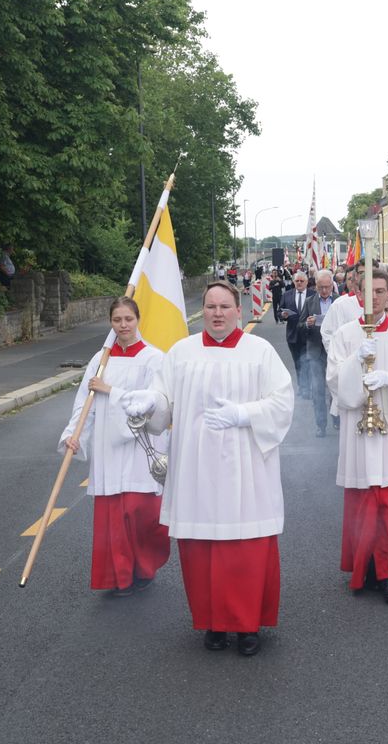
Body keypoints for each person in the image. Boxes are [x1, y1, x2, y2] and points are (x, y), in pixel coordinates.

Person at [121, 281, 294, 656]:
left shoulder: (259, 351)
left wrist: (243, 414)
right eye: (211, 306)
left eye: (225, 306)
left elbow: (282, 403)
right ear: (203, 310)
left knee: (245, 550)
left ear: (238, 310)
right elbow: (164, 401)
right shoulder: (181, 353)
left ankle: (247, 626)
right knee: (202, 549)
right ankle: (212, 622)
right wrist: (148, 402)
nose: (217, 313)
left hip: (247, 467)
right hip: (196, 467)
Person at [327, 268, 388, 603]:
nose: (375, 297)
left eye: (381, 291)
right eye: (369, 291)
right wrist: (355, 364)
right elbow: (334, 383)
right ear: (358, 293)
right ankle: (364, 569)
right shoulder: (344, 335)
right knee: (362, 504)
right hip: (358, 430)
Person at [58, 298, 169, 596]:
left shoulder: (154, 359)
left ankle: (144, 566)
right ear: (111, 322)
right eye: (117, 320)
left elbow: (154, 406)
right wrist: (75, 435)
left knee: (140, 511)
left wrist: (112, 390)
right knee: (113, 517)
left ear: (138, 319)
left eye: (128, 319)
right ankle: (119, 576)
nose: (123, 325)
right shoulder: (100, 360)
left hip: (140, 448)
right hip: (109, 446)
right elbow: (85, 404)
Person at [302, 269, 337, 437]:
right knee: (318, 390)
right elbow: (299, 326)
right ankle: (321, 425)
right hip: (316, 352)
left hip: (336, 352)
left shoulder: (339, 301)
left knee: (336, 388)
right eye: (321, 287)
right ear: (315, 286)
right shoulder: (309, 302)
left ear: (332, 285)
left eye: (327, 287)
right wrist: (307, 324)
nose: (324, 291)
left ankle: (336, 418)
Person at [279, 272, 314, 397]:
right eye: (297, 281)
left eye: (301, 281)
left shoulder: (313, 295)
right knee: (298, 363)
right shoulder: (287, 295)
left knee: (308, 362)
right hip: (293, 336)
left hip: (309, 335)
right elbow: (280, 311)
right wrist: (282, 315)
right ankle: (302, 386)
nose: (299, 283)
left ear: (306, 282)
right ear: (293, 282)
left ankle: (308, 388)